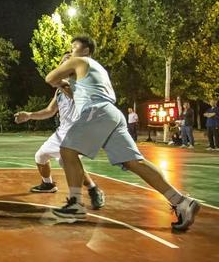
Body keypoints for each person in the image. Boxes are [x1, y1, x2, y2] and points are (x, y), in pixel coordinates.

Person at [45, 35, 200, 232]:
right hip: (112, 114)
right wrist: (66, 81)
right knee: (135, 162)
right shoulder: (97, 69)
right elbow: (75, 92)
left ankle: (75, 204)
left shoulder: (79, 60)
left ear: (85, 50)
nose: (70, 51)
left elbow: (49, 78)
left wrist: (62, 69)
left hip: (97, 111)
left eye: (73, 47)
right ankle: (182, 201)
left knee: (66, 150)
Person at [14, 54, 105, 209]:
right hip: (61, 132)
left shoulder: (81, 86)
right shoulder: (59, 91)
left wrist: (60, 83)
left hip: (79, 132)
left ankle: (93, 189)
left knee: (66, 161)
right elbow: (50, 111)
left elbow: (74, 95)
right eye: (63, 62)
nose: (64, 65)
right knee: (40, 156)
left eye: (68, 62)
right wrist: (29, 115)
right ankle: (48, 184)